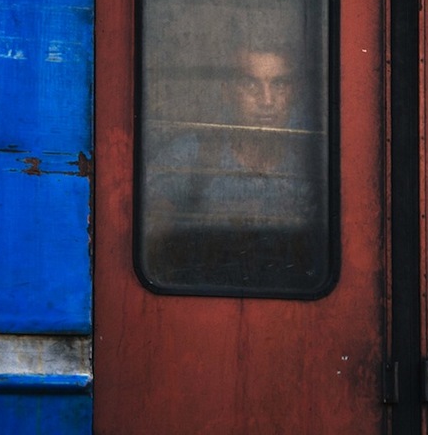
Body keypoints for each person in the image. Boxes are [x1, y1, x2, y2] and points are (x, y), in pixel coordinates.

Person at [140, 46, 327, 290]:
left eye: (279, 84)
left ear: (295, 92)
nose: (267, 101)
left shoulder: (311, 164)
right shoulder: (190, 156)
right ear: (227, 92)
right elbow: (152, 245)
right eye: (250, 85)